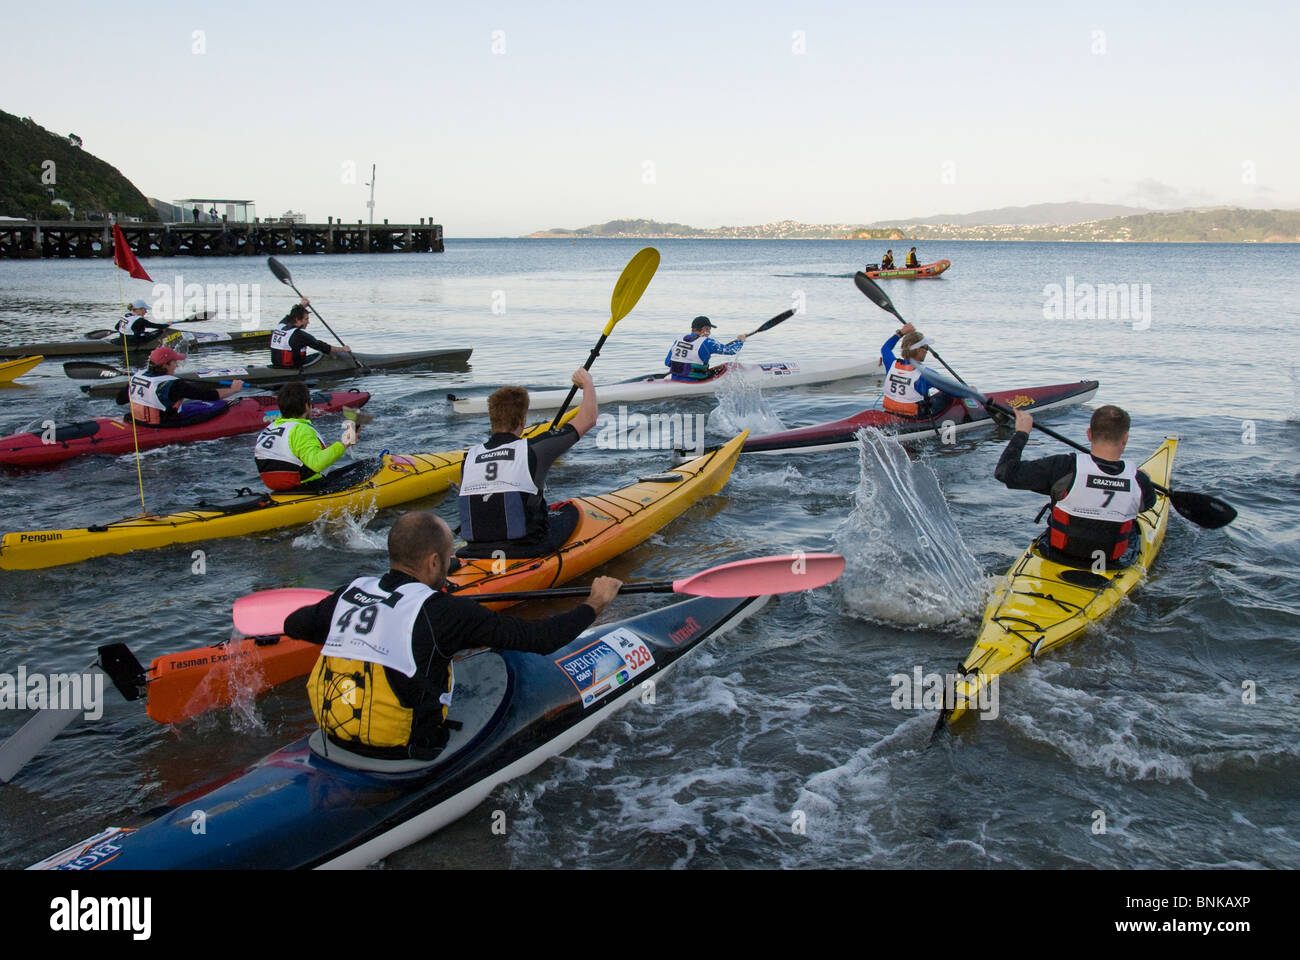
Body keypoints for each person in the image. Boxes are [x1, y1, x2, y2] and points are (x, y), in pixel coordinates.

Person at [284, 512, 623, 763]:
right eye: (447, 559)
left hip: (333, 737)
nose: (450, 565)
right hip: (407, 753)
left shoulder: (351, 593)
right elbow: (541, 639)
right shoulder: (445, 614)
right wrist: (595, 602)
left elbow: (293, 624)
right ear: (434, 562)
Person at [458, 369, 599, 559]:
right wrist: (587, 383)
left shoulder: (469, 458)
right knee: (570, 510)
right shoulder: (534, 449)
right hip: (525, 548)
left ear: (492, 420)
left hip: (474, 548)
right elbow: (588, 419)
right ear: (523, 421)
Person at [995, 405, 1157, 569]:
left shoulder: (1064, 467)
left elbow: (1005, 473)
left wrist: (1021, 433)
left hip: (1057, 556)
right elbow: (1148, 504)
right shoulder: (1138, 480)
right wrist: (1144, 480)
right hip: (1108, 563)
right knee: (1135, 528)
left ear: (1089, 434)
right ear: (1125, 438)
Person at [254, 381, 360, 491]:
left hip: (277, 487)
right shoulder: (301, 429)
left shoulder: (270, 428)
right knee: (367, 466)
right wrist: (346, 443)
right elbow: (317, 463)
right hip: (306, 486)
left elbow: (295, 454)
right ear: (306, 405)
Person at [120, 346, 245, 427]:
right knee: (220, 405)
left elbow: (120, 400)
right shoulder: (174, 385)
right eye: (175, 362)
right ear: (165, 365)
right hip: (164, 423)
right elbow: (210, 396)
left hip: (138, 420)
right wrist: (233, 390)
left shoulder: (137, 376)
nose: (177, 366)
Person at [879, 323, 956, 418]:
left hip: (891, 411)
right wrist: (969, 391)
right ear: (919, 350)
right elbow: (953, 389)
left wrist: (901, 333)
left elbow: (885, 348)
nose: (927, 351)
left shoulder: (891, 364)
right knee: (947, 395)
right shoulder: (925, 374)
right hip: (914, 416)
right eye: (926, 347)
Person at [270, 298, 352, 368]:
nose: (308, 322)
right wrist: (342, 349)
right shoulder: (300, 335)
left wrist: (302, 305)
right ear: (297, 320)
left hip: (277, 364)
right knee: (322, 355)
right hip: (292, 368)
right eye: (306, 319)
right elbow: (324, 347)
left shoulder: (281, 325)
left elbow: (290, 316)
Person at [664, 316, 747, 382]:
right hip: (695, 381)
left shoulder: (678, 339)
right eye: (709, 330)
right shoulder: (708, 342)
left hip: (675, 379)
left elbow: (667, 363)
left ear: (693, 329)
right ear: (704, 329)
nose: (709, 333)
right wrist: (741, 341)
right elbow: (731, 351)